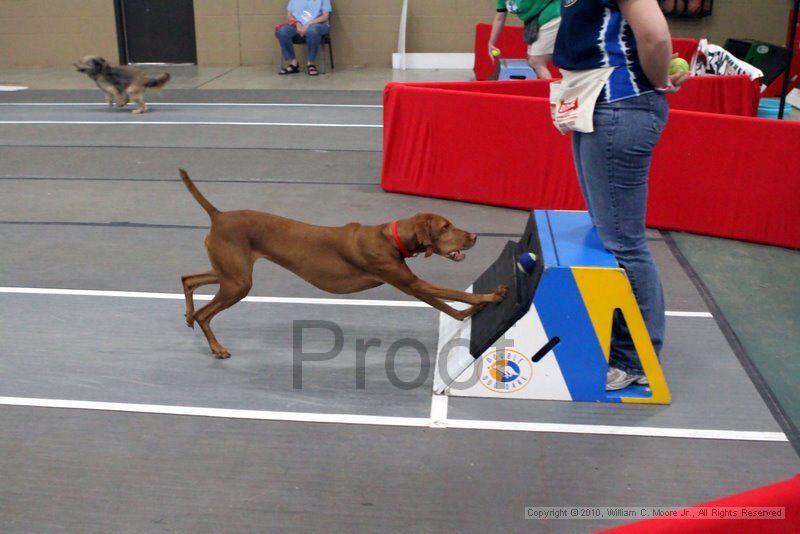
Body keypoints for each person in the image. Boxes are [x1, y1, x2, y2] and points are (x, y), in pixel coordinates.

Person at [552, 0, 689, 390]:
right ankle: (620, 342)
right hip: (594, 101)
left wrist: (658, 81)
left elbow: (655, 35)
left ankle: (635, 360)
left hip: (620, 106)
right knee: (608, 233)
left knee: (624, 243)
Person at [488, 0, 562, 79]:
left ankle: (552, 90)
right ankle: (542, 88)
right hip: (536, 24)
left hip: (552, 18)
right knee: (532, 61)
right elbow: (500, 18)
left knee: (536, 62)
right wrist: (491, 43)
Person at [276, 0, 332, 76]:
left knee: (312, 31)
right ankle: (294, 63)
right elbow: (289, 15)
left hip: (318, 24)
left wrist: (309, 24)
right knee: (282, 31)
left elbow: (325, 16)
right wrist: (297, 23)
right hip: (297, 24)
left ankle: (310, 63)